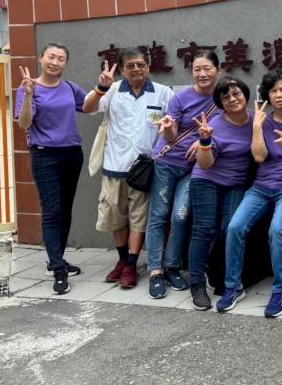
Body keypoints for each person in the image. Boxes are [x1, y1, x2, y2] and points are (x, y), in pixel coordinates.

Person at [217, 69, 282, 318]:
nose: (278, 95)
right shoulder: (261, 120)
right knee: (235, 227)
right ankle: (233, 287)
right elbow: (259, 156)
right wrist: (257, 127)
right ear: (268, 95)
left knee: (277, 230)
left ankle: (280, 291)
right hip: (261, 187)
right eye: (273, 90)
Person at [81, 48, 173, 289]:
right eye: (130, 66)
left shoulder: (163, 93)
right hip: (114, 165)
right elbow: (87, 108)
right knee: (116, 218)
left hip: (144, 170)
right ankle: (122, 260)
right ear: (122, 70)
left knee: (139, 219)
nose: (136, 69)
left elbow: (174, 126)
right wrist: (100, 87)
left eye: (141, 64)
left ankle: (131, 264)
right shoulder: (111, 90)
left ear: (148, 67)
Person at [145, 50, 221, 299]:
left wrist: (202, 141)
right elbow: (170, 134)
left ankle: (172, 266)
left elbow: (222, 131)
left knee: (180, 216)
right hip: (166, 163)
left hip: (194, 168)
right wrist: (167, 129)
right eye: (197, 69)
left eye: (207, 68)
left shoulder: (222, 99)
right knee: (158, 215)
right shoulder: (181, 98)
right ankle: (155, 271)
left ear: (218, 70)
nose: (202, 74)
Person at [15, 43, 87, 295]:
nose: (55, 62)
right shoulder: (29, 87)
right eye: (51, 57)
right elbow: (24, 123)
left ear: (65, 63)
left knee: (65, 210)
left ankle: (56, 259)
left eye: (61, 58)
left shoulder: (70, 88)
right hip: (45, 154)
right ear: (41, 58)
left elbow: (89, 106)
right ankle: (58, 270)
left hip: (72, 154)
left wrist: (102, 87)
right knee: (52, 210)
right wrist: (28, 95)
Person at [188, 76, 254, 311]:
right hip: (206, 179)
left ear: (245, 95)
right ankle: (196, 284)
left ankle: (218, 274)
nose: (232, 99)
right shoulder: (214, 124)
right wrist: (204, 140)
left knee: (231, 228)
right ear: (220, 103)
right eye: (226, 97)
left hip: (236, 184)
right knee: (204, 229)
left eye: (236, 94)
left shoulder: (256, 119)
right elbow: (205, 164)